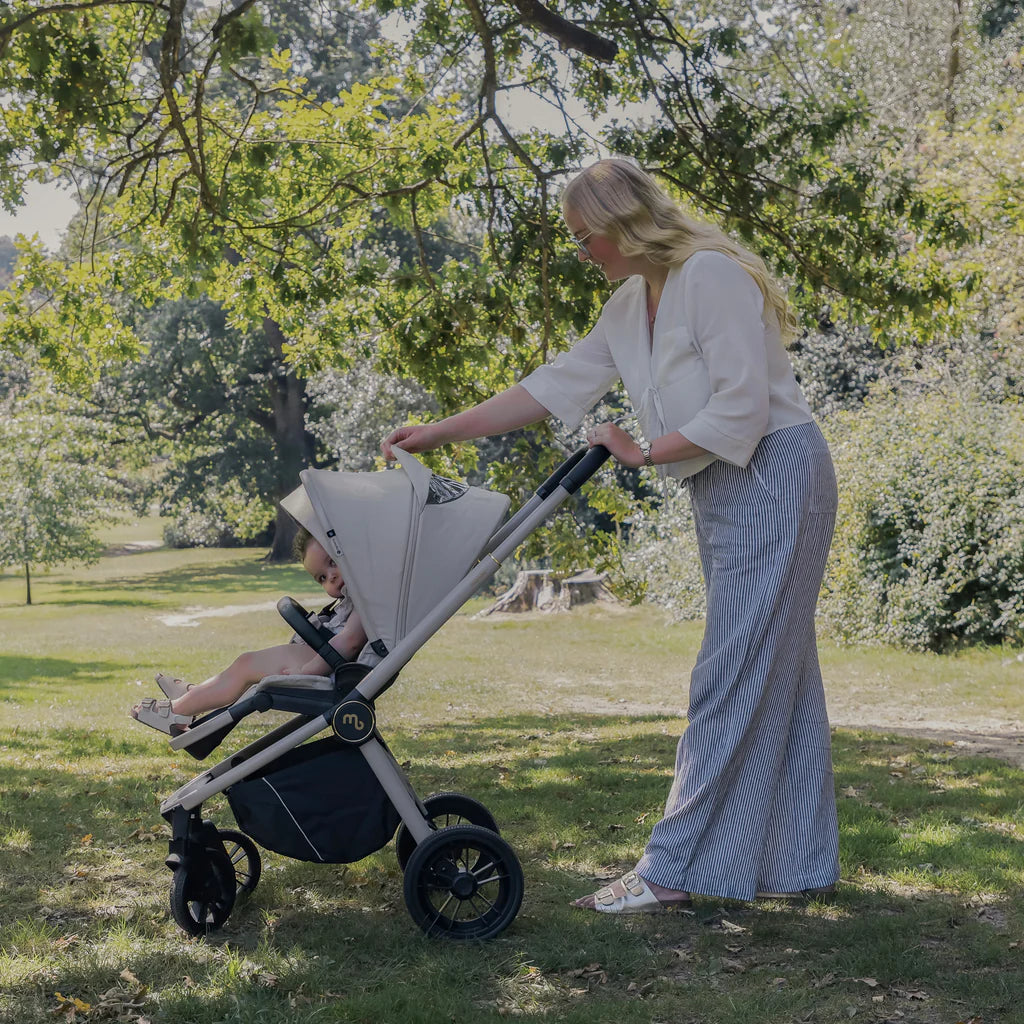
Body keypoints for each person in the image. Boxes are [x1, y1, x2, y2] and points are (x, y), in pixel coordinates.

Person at [382, 157, 839, 913]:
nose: (582, 251)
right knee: (775, 672)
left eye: (585, 237)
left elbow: (745, 406)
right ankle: (793, 862)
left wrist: (642, 450)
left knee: (729, 673)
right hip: (718, 483)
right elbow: (552, 384)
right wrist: (439, 432)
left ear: (624, 226)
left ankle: (673, 870)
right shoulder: (631, 304)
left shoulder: (710, 275)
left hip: (776, 473)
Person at [130, 529, 374, 735]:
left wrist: (305, 672)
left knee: (246, 666)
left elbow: (350, 642)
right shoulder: (361, 592)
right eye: (321, 577)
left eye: (332, 562)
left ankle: (178, 712)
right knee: (245, 667)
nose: (330, 577)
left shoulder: (368, 592)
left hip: (328, 667)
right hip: (322, 657)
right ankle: (194, 696)